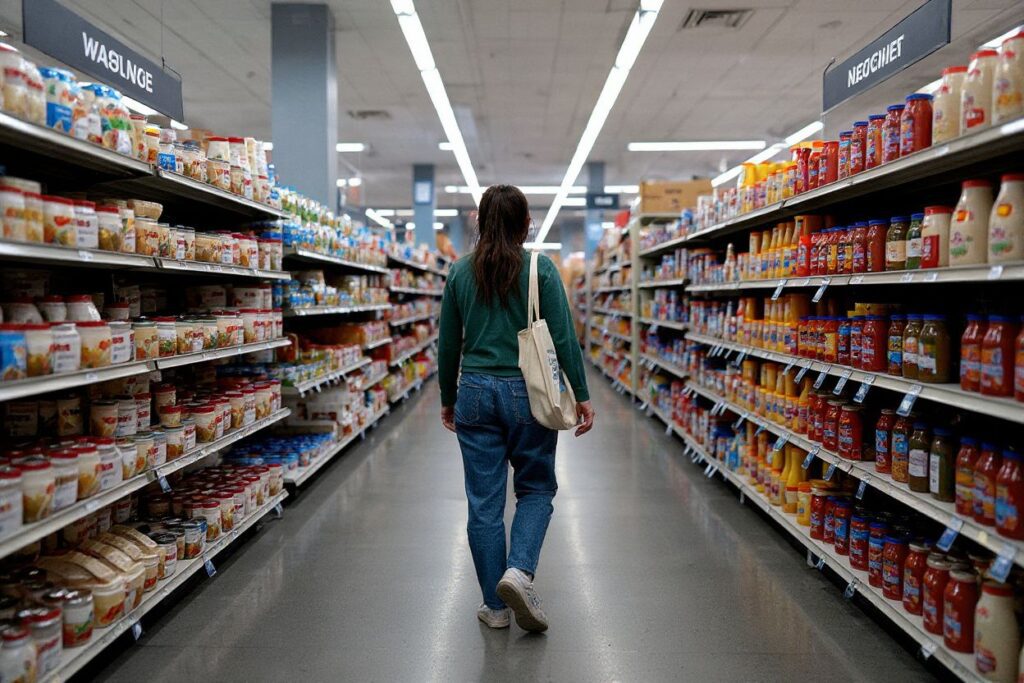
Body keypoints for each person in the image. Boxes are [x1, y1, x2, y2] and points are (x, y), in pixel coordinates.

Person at [438, 184, 594, 633]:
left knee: (484, 502)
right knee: (536, 489)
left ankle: (496, 606)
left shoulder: (459, 273)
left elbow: (449, 344)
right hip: (528, 393)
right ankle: (519, 571)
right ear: (527, 225)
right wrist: (580, 393)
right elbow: (563, 336)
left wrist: (449, 398)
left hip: (474, 394)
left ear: (480, 224)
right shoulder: (539, 270)